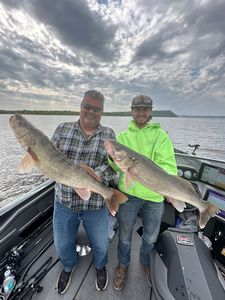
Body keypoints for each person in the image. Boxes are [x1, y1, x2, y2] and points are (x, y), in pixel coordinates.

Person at [51, 90, 116, 294]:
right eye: (87, 106)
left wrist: (94, 175)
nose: (90, 111)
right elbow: (50, 159)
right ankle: (68, 266)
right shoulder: (62, 129)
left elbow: (113, 166)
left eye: (96, 108)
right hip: (64, 201)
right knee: (62, 245)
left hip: (95, 204)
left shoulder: (109, 135)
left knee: (102, 245)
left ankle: (100, 266)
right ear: (80, 106)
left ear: (102, 111)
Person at [111, 95, 177, 290]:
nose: (141, 112)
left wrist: (150, 174)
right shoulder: (122, 137)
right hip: (128, 196)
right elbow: (115, 168)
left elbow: (169, 168)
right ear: (131, 111)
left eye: (144, 109)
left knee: (150, 236)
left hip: (154, 197)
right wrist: (110, 158)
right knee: (124, 235)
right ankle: (123, 265)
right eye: (137, 109)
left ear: (150, 112)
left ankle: (145, 263)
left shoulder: (161, 136)